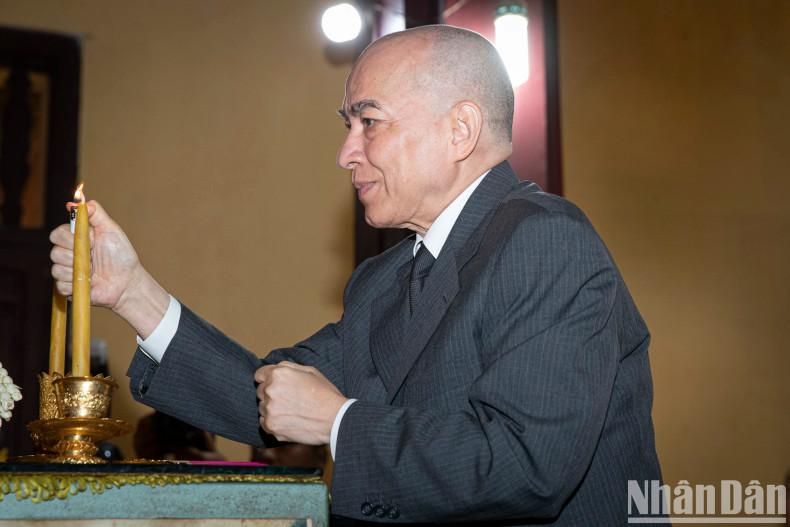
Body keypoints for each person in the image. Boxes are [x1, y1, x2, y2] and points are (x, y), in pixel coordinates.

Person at [50, 25, 662, 525]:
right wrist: (131, 292)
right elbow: (271, 397)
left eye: (370, 121)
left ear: (460, 130)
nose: (347, 151)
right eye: (348, 124)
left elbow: (527, 468)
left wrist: (340, 421)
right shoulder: (384, 278)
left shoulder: (543, 240)